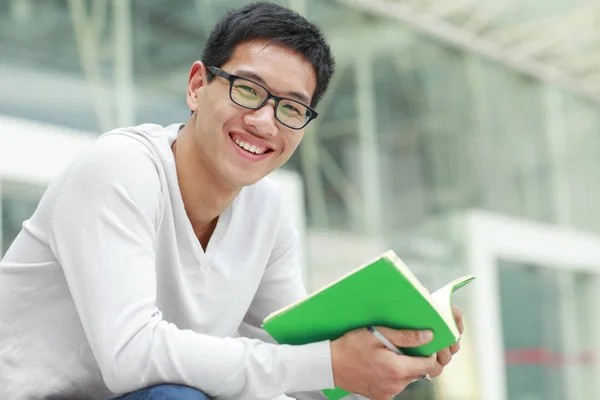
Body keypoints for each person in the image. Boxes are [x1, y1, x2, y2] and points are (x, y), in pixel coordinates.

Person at [0, 2, 463, 400]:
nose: (265, 121)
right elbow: (131, 357)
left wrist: (396, 351)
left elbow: (299, 364)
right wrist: (328, 364)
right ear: (197, 86)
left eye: (291, 108)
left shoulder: (267, 213)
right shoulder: (121, 167)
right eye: (248, 90)